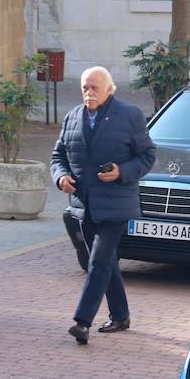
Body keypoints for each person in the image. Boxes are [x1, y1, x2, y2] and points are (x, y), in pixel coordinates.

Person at [51, 66, 156, 345]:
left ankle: (82, 322)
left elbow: (147, 155)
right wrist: (60, 177)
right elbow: (58, 155)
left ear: (109, 89)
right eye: (85, 87)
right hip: (84, 205)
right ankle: (121, 315)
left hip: (116, 205)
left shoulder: (129, 115)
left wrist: (121, 171)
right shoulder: (73, 117)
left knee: (97, 261)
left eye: (95, 87)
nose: (88, 92)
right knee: (105, 262)